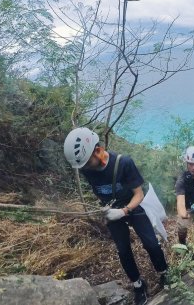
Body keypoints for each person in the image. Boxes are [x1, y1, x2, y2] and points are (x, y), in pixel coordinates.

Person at [64, 127, 168, 305]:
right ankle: (138, 285)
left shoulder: (123, 163)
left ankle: (164, 273)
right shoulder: (87, 169)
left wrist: (124, 211)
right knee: (123, 249)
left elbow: (139, 194)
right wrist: (106, 209)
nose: (86, 168)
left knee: (150, 242)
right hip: (111, 209)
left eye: (88, 163)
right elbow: (99, 191)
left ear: (98, 151)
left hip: (132, 205)